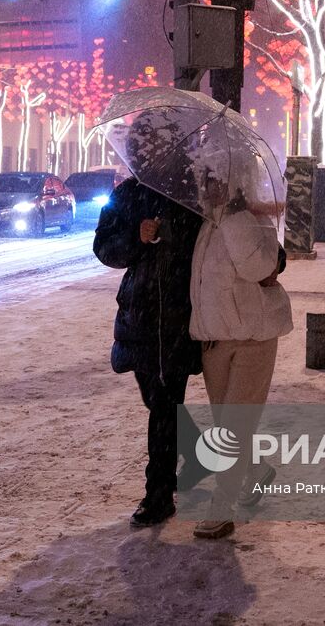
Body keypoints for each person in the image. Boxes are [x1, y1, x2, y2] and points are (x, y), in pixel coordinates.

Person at [93, 175, 205, 528]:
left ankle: (158, 494)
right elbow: (104, 247)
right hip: (139, 314)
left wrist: (170, 232)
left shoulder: (192, 192)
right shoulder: (127, 193)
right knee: (157, 399)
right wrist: (135, 238)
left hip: (177, 314)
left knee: (164, 405)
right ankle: (205, 455)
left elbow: (212, 243)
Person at [188, 175, 292, 540]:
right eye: (205, 180)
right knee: (227, 425)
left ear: (232, 185)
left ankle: (222, 507)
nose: (208, 187)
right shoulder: (205, 224)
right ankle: (256, 472)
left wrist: (233, 217)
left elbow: (258, 270)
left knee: (233, 428)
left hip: (253, 335)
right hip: (215, 338)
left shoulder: (244, 221)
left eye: (216, 181)